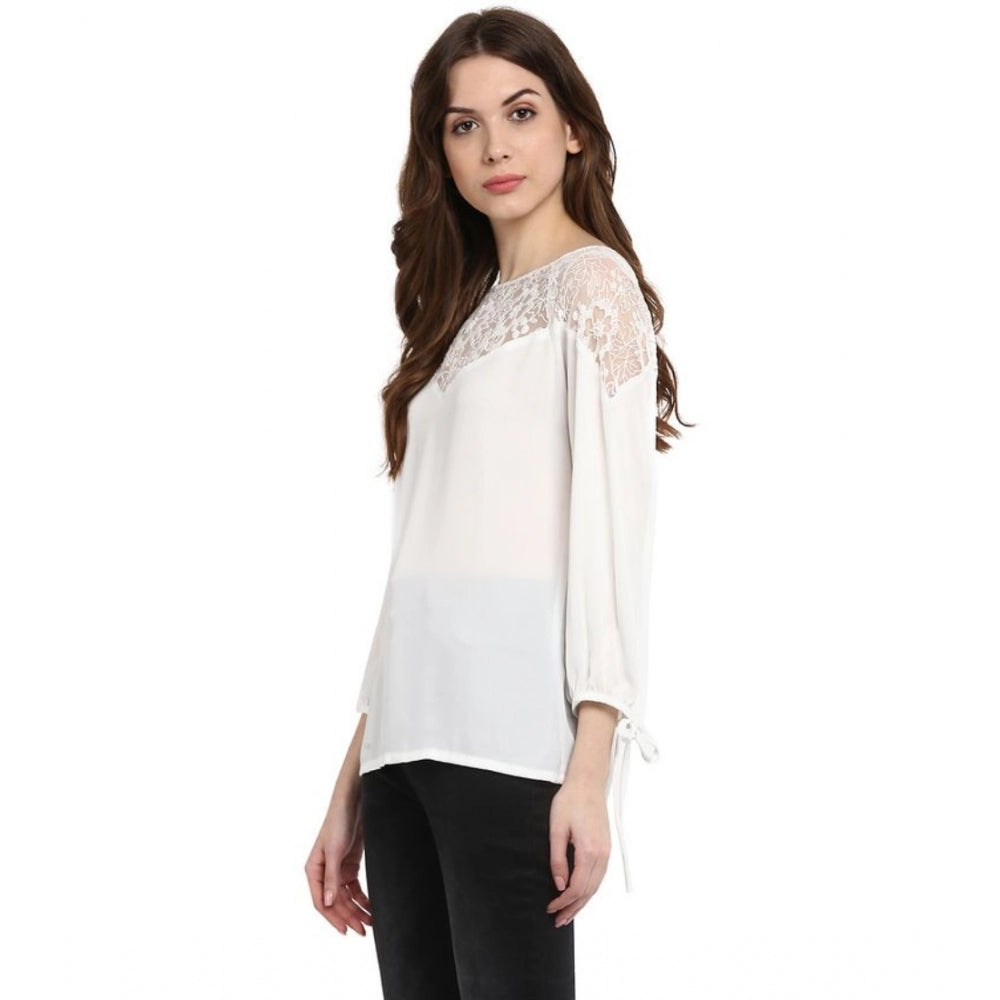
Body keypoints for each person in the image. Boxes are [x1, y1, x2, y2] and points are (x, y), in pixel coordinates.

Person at [305, 7, 692, 997]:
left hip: (508, 743)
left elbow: (612, 545)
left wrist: (590, 772)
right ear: (439, 150)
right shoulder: (452, 322)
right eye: (462, 124)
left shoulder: (592, 289)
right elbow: (416, 570)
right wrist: (353, 775)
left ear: (574, 129)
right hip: (403, 746)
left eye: (520, 113)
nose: (494, 148)